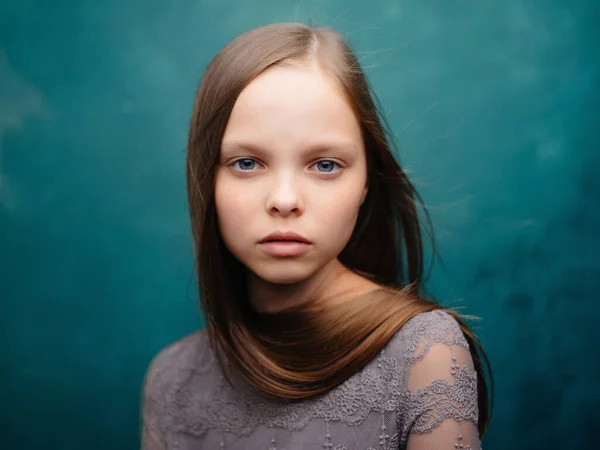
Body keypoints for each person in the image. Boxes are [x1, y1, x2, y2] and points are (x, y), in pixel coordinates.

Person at [140, 22, 493, 450]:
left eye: (325, 165)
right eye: (247, 163)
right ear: (204, 179)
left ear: (366, 181)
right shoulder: (171, 379)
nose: (285, 200)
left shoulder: (425, 352)